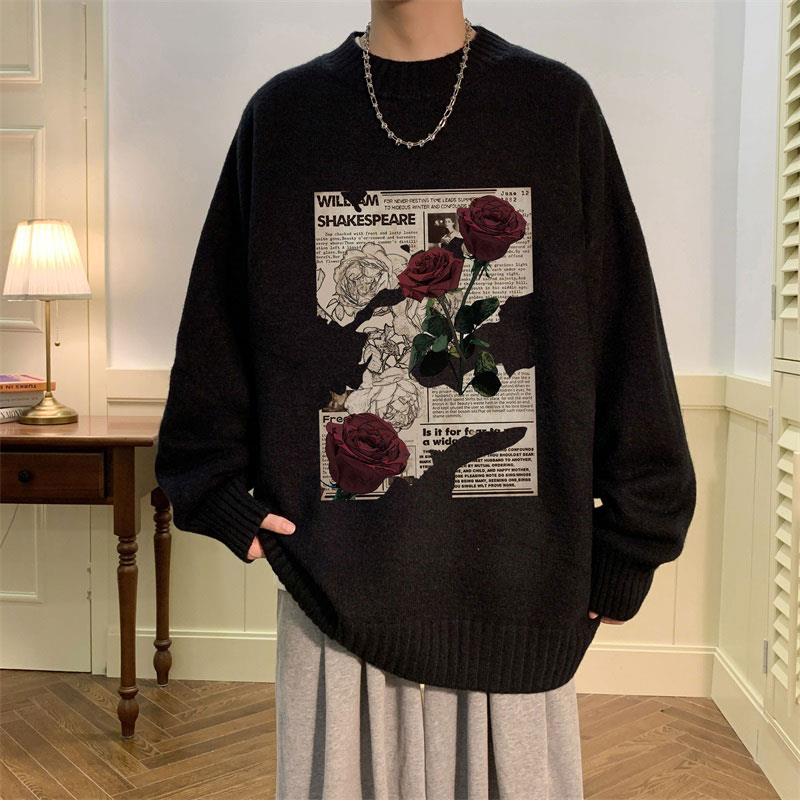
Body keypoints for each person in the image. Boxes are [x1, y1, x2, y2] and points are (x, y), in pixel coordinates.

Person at [155, 0, 697, 800]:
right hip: (334, 592)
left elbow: (623, 331)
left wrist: (633, 540)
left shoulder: (554, 108)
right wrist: (215, 492)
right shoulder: (285, 117)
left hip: (519, 593)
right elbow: (216, 329)